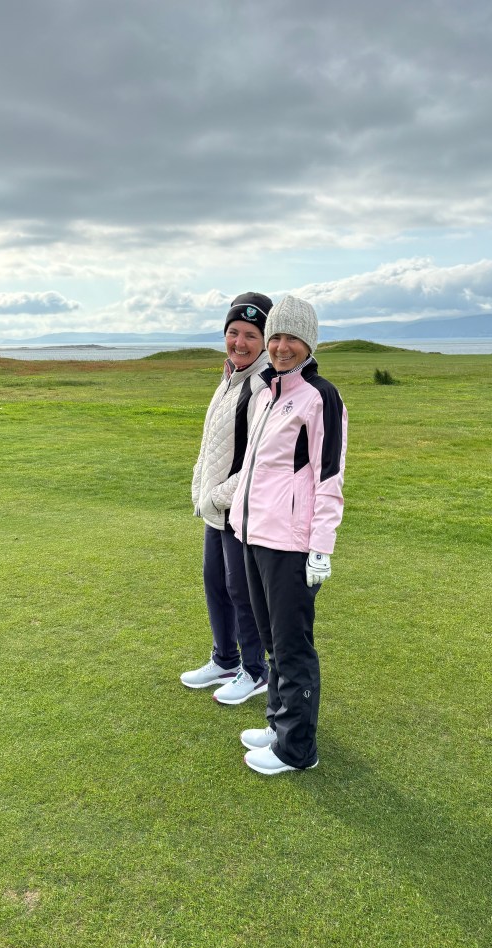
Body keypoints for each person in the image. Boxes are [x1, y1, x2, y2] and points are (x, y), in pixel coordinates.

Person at [229, 295, 347, 774]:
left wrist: (321, 547)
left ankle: (297, 749)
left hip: (291, 543)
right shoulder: (268, 393)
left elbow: (329, 475)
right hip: (255, 534)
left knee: (292, 645)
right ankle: (279, 723)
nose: (281, 346)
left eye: (292, 338)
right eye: (275, 336)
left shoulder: (320, 396)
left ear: (309, 343)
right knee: (272, 640)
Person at [180, 292, 273, 705]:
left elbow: (257, 463)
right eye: (233, 332)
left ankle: (255, 671)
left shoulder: (261, 385)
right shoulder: (230, 377)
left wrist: (216, 497)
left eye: (251, 335)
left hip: (239, 510)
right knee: (215, 584)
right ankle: (224, 659)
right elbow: (210, 445)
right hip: (215, 508)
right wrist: (199, 488)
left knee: (241, 591)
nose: (240, 342)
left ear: (265, 340)